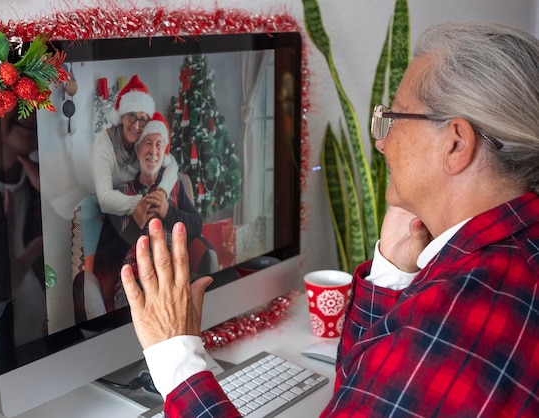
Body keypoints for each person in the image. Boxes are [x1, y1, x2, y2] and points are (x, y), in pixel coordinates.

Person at [119, 20, 539, 417]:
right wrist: (390, 275)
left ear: (455, 144)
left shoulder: (451, 326)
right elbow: (369, 388)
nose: (381, 142)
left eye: (393, 117)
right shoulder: (518, 253)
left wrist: (175, 353)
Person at [94, 113, 205, 312]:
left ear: (164, 154)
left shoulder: (176, 188)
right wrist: (134, 225)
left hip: (174, 281)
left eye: (158, 144)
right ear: (137, 151)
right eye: (147, 143)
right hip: (134, 286)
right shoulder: (121, 193)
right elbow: (105, 257)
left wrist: (169, 213)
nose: (152, 151)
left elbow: (197, 226)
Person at [0, 105, 48, 351]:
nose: (31, 109)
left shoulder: (45, 187)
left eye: (40, 99)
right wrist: (0, 296)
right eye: (16, 94)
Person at [92, 74, 179, 216]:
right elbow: (105, 197)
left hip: (142, 198)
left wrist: (163, 191)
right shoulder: (103, 144)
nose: (137, 126)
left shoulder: (144, 142)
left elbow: (172, 163)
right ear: (122, 116)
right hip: (117, 210)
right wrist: (143, 203)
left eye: (142, 119)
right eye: (131, 115)